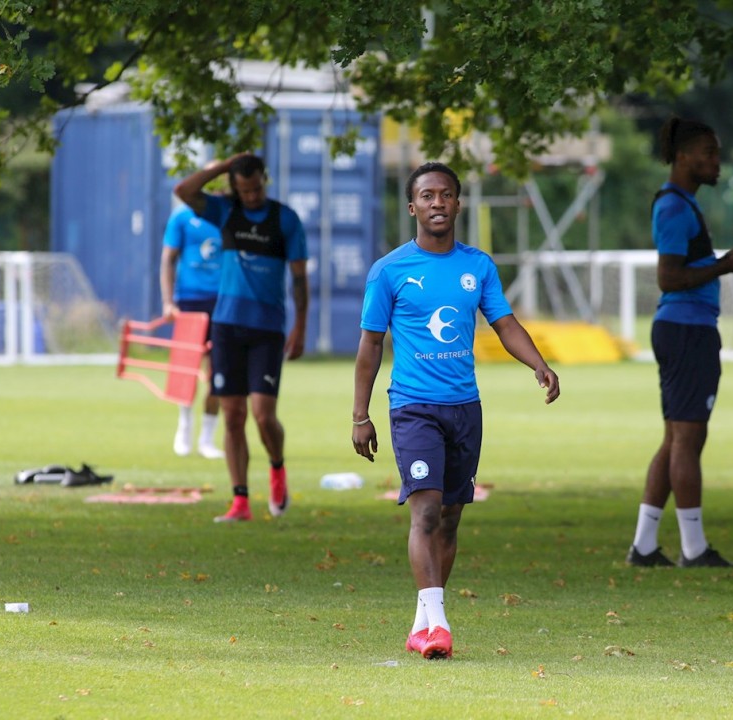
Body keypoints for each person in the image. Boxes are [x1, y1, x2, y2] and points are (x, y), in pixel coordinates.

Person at [351, 161, 560, 660]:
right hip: (413, 408)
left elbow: (504, 324)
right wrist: (360, 415)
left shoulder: (478, 266)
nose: (437, 203)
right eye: (427, 196)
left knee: (449, 519)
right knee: (425, 511)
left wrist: (538, 363)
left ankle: (422, 622)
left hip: (465, 408)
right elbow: (370, 345)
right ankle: (440, 625)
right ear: (412, 207)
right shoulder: (390, 270)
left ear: (458, 204)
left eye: (445, 194)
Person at [626, 117, 733, 569]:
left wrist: (731, 263)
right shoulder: (673, 207)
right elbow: (669, 277)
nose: (716, 162)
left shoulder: (683, 203)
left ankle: (645, 546)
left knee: (675, 440)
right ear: (683, 157)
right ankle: (694, 549)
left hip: (686, 329)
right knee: (688, 439)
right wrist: (726, 266)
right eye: (708, 153)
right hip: (686, 330)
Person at [174, 152, 309, 522]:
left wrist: (300, 326)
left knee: (264, 416)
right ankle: (240, 501)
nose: (251, 196)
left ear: (265, 180)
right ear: (235, 187)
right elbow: (184, 190)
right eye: (244, 190)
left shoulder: (285, 219)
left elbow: (299, 278)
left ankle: (277, 468)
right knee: (233, 415)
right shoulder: (225, 212)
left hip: (267, 328)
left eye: (256, 188)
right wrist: (224, 166)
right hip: (227, 326)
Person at [160, 190, 225, 460]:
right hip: (189, 300)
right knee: (186, 369)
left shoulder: (229, 216)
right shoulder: (182, 216)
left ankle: (207, 438)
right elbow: (168, 259)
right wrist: (168, 302)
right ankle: (184, 427)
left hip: (223, 301)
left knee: (219, 372)